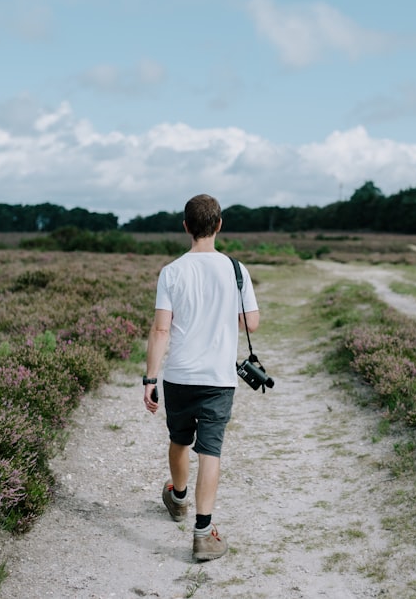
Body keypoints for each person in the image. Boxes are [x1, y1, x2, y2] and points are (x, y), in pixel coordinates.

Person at [142, 194, 260, 561]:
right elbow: (251, 322)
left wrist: (150, 379)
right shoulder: (236, 270)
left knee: (179, 438)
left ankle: (178, 499)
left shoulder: (172, 271)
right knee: (210, 450)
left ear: (186, 227)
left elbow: (161, 330)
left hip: (179, 376)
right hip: (218, 378)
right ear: (219, 225)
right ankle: (204, 534)